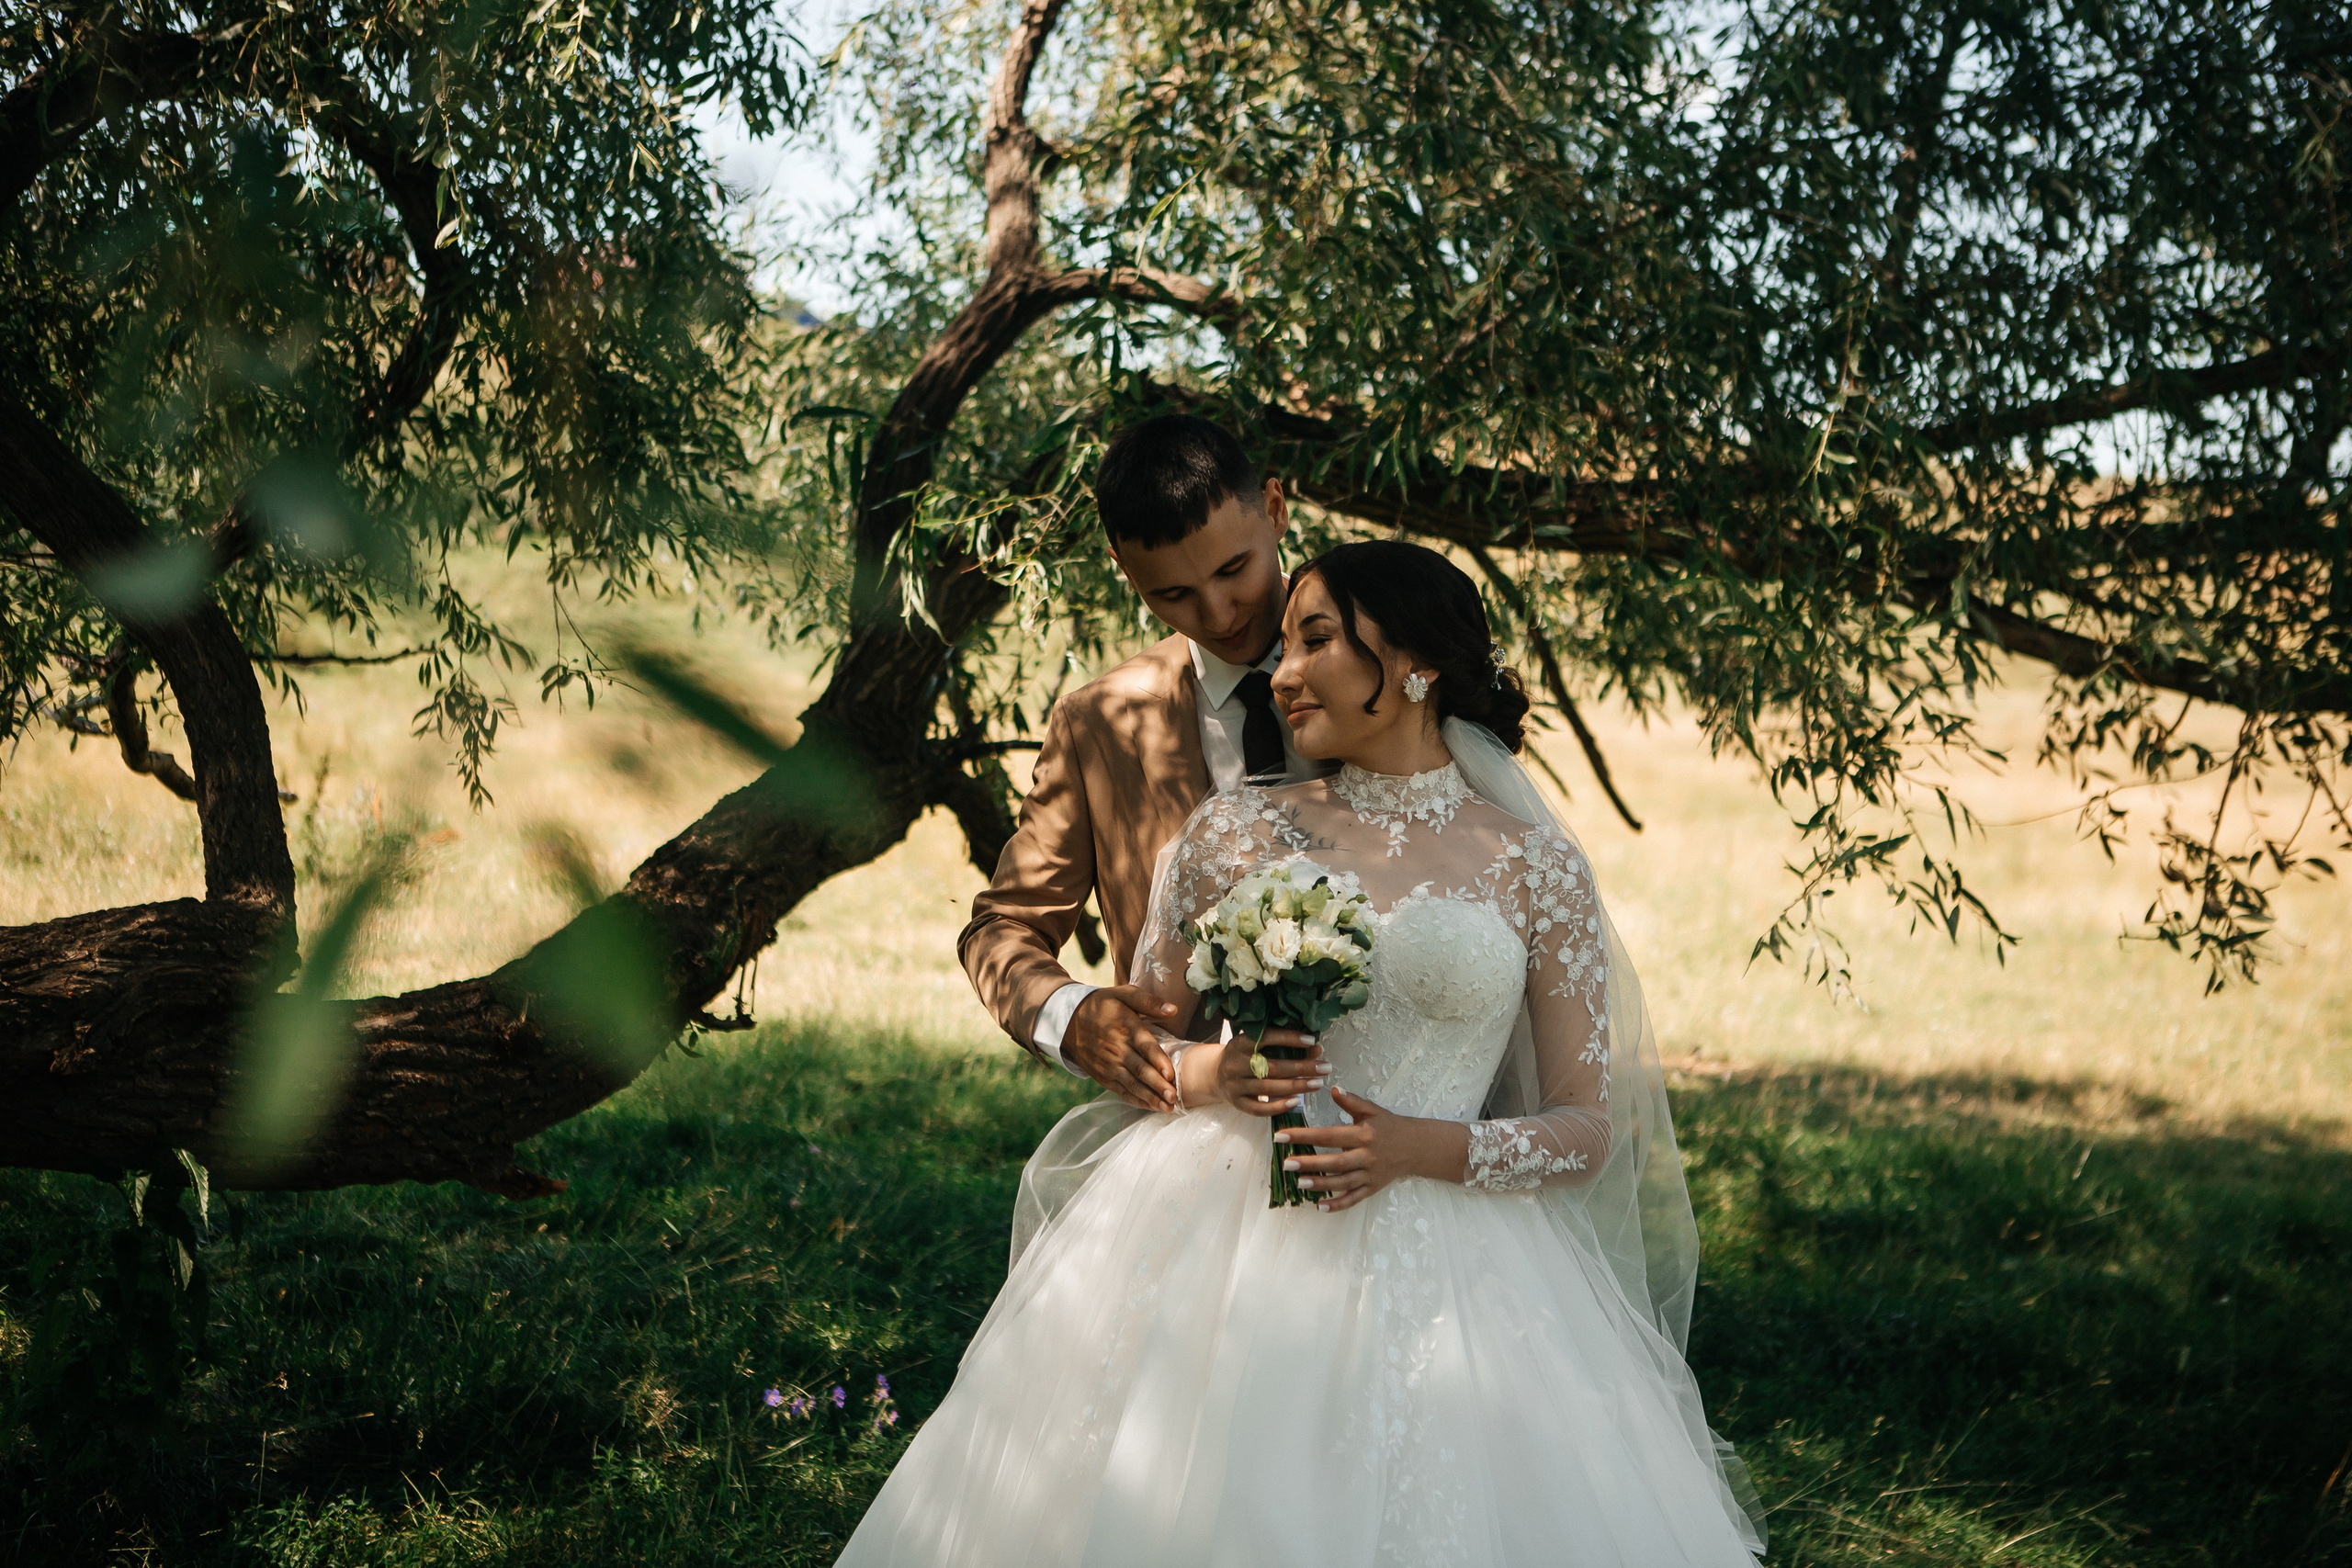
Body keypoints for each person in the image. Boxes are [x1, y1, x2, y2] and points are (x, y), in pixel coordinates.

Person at [842, 540, 1767, 1565]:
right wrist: (1213, 1073)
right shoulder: (1235, 831)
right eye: (1283, 645)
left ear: (1414, 664)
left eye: (1313, 639)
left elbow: (1586, 1127)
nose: (1281, 674)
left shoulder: (1533, 868)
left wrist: (1420, 1147)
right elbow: (1143, 1035)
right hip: (1223, 1223)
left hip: (1459, 1249)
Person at [960, 412, 1324, 1110]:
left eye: (1234, 569)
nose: (1218, 613)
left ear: (1275, 509)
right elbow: (1002, 927)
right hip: (1194, 1122)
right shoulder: (1098, 727)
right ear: (1123, 569)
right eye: (1172, 594)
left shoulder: (1388, 663)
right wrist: (1071, 1017)